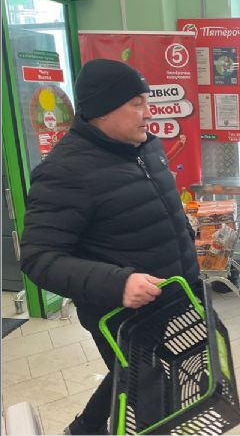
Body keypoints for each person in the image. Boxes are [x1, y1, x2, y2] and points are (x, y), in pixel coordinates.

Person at [20, 59, 199, 435]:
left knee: (129, 370)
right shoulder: (65, 171)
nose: (148, 113)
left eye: (147, 102)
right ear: (102, 110)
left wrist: (182, 230)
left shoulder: (144, 147)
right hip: (120, 314)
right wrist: (119, 283)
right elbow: (39, 259)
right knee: (151, 394)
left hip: (169, 297)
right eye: (136, 104)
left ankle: (85, 428)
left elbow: (154, 203)